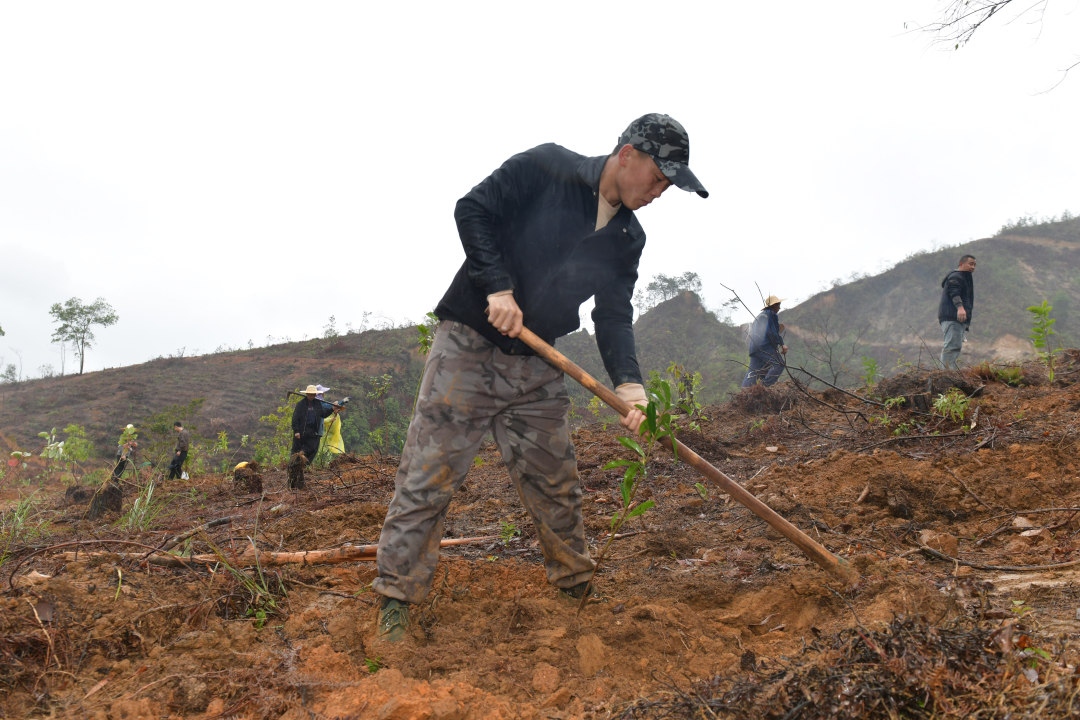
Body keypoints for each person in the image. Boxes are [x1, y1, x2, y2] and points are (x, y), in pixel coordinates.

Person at [372, 113, 708, 642]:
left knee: (556, 483)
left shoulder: (627, 238)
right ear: (628, 155)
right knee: (427, 477)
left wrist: (630, 387)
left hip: (537, 363)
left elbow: (613, 314)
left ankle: (574, 587)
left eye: (668, 185)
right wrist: (497, 287)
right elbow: (473, 209)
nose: (659, 192)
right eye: (659, 177)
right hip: (467, 348)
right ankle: (396, 601)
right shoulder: (548, 167)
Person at [938, 254, 976, 370]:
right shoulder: (956, 276)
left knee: (955, 345)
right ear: (961, 264)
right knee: (952, 346)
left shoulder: (964, 277)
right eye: (970, 264)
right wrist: (960, 307)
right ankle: (947, 374)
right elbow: (954, 292)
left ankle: (949, 372)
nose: (973, 267)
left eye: (974, 265)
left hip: (957, 318)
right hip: (953, 317)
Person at [741, 295, 787, 387]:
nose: (779, 307)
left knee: (753, 372)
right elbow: (771, 332)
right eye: (778, 305)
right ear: (773, 305)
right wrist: (782, 344)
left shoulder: (760, 316)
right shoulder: (771, 314)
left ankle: (745, 391)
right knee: (779, 363)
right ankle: (764, 387)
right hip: (764, 347)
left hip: (755, 348)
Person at [290, 384, 335, 462]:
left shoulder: (317, 403)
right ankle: (293, 465)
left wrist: (332, 409)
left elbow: (323, 414)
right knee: (296, 450)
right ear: (307, 394)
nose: (312, 396)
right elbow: (295, 418)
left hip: (312, 430)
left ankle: (305, 464)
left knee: (312, 449)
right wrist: (296, 431)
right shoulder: (301, 404)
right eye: (310, 394)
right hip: (301, 430)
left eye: (313, 394)